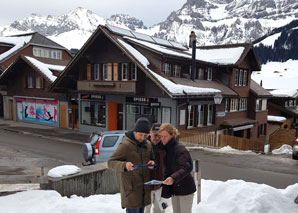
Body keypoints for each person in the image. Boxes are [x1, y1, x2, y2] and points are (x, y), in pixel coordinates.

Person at [108, 117, 155, 213]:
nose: (143, 138)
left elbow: (152, 160)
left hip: (144, 191)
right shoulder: (125, 145)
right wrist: (124, 165)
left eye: (145, 135)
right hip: (131, 191)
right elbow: (111, 162)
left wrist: (152, 163)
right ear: (135, 132)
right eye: (140, 135)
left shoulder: (148, 144)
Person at [159, 123, 196, 213]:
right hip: (175, 188)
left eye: (165, 136)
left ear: (172, 135)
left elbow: (186, 167)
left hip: (185, 188)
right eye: (161, 136)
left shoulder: (179, 149)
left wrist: (173, 177)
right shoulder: (165, 148)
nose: (162, 139)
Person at [145, 123, 167, 213]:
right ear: (150, 133)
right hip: (146, 186)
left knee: (161, 210)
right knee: (145, 210)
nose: (157, 138)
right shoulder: (143, 146)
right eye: (155, 135)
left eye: (159, 135)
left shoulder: (164, 147)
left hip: (160, 185)